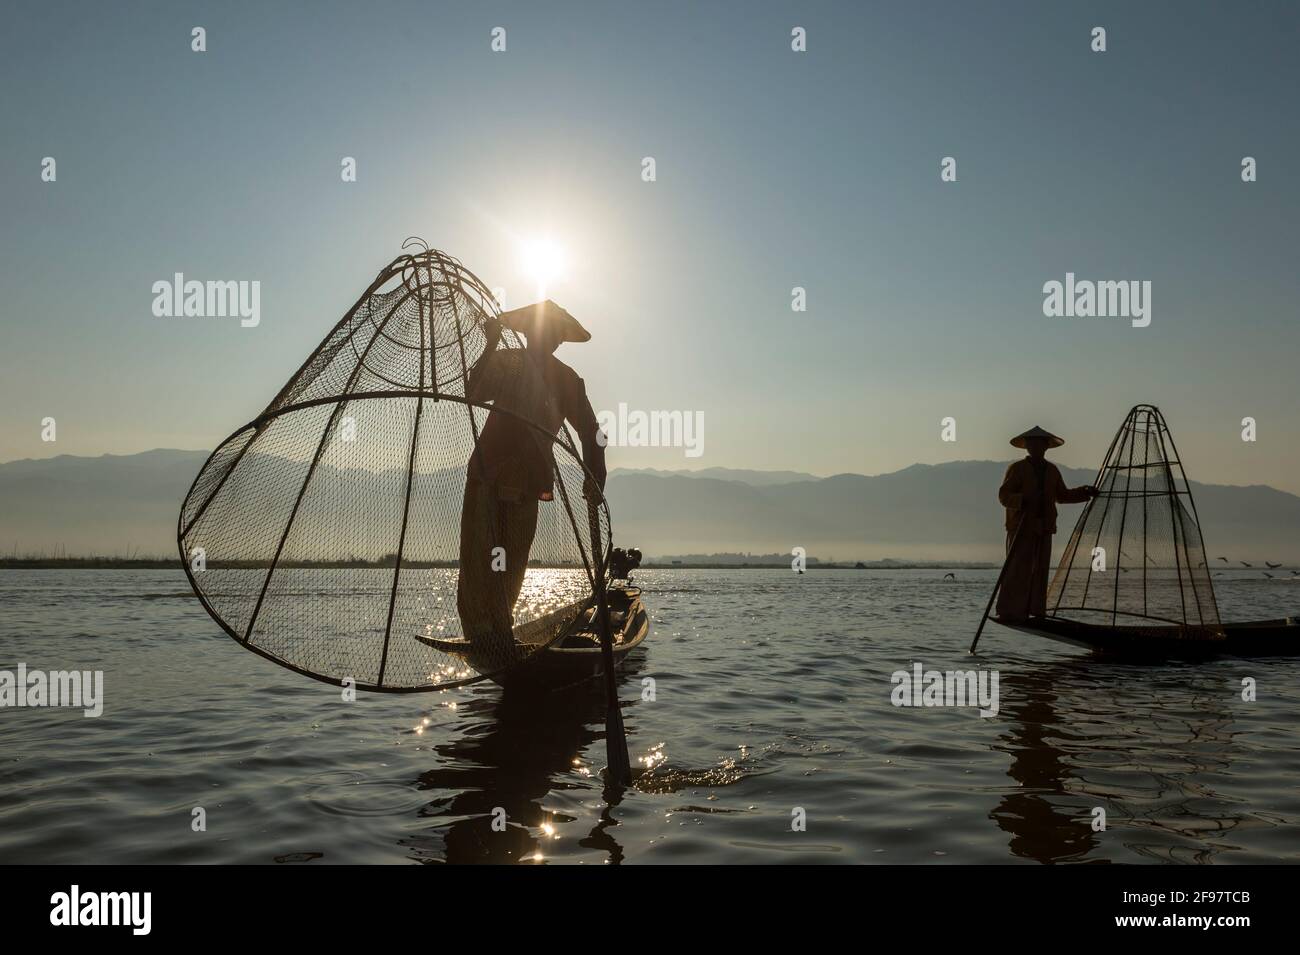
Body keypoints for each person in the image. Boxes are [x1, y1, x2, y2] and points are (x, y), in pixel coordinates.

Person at [456, 300, 607, 664]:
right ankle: (485, 637)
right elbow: (472, 392)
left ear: (558, 340)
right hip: (487, 474)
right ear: (529, 333)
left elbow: (592, 433)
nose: (547, 340)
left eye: (552, 335)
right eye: (541, 333)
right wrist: (490, 343)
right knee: (481, 557)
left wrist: (596, 475)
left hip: (528, 482)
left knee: (511, 562)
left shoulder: (567, 380)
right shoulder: (509, 361)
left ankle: (500, 633)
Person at [996, 426, 1097, 622]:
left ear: (1046, 447)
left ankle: (1035, 609)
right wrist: (1022, 499)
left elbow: (1062, 495)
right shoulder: (1017, 469)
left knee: (1040, 569)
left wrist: (1085, 492)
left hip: (1044, 527)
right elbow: (1004, 496)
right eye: (1032, 444)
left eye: (1040, 444)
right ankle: (1010, 610)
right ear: (1027, 447)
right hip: (1021, 528)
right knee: (1017, 568)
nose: (1036, 447)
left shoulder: (1051, 470)